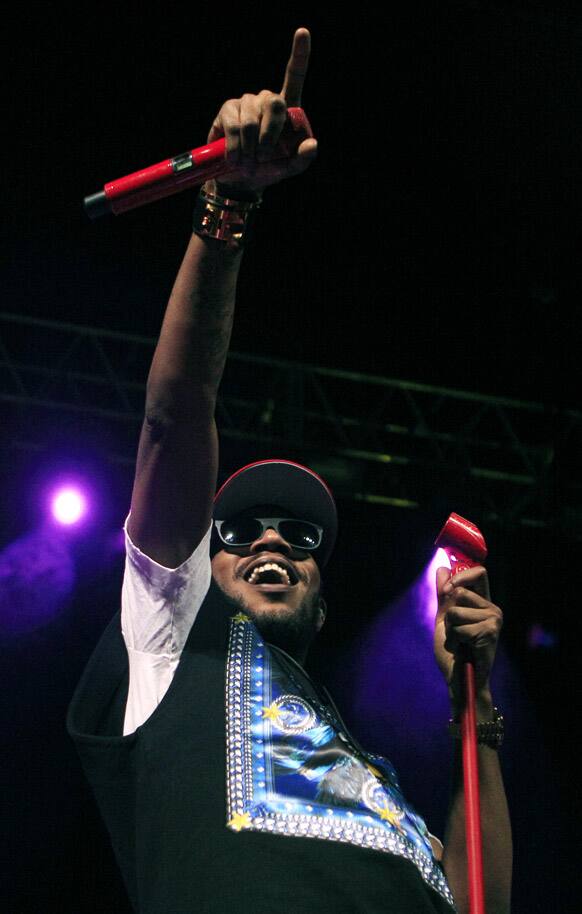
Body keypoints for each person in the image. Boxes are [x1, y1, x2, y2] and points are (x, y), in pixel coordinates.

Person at [67, 29, 512, 914]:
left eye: (300, 536)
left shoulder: (379, 788)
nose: (274, 538)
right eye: (240, 532)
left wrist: (476, 705)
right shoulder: (168, 643)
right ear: (200, 563)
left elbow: (481, 906)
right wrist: (229, 208)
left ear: (322, 600)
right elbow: (176, 410)